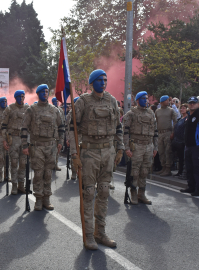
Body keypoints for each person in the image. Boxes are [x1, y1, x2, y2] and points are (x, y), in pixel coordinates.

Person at [70, 69, 124, 249]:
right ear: (92, 83)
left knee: (104, 192)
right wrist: (74, 155)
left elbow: (118, 127)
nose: (103, 82)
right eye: (100, 80)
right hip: (89, 153)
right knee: (88, 194)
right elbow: (73, 130)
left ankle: (100, 233)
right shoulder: (83, 102)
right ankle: (88, 236)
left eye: (105, 79)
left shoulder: (112, 101)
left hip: (108, 151)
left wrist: (120, 148)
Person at [22, 84, 65, 209]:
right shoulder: (31, 110)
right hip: (37, 146)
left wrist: (60, 141)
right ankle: (38, 199)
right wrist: (25, 145)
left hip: (51, 146)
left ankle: (47, 198)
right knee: (38, 173)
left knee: (48, 174)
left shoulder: (54, 110)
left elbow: (61, 126)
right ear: (38, 94)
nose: (45, 94)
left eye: (47, 92)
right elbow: (24, 128)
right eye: (43, 92)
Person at [123, 91, 158, 205]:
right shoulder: (131, 113)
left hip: (148, 145)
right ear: (137, 100)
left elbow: (156, 131)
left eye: (147, 98)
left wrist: (155, 147)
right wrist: (127, 148)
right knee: (135, 171)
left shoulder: (151, 113)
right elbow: (125, 132)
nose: (146, 100)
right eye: (143, 98)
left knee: (145, 170)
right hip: (136, 146)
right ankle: (133, 193)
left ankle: (141, 194)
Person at [180, 97, 199, 197]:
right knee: (189, 168)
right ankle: (191, 187)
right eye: (190, 103)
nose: (192, 104)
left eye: (194, 103)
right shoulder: (188, 116)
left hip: (197, 147)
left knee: (198, 169)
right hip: (188, 146)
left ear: (198, 104)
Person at [2, 90, 29, 195]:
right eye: (20, 97)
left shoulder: (28, 109)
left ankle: (21, 185)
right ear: (16, 97)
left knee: (23, 163)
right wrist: (5, 140)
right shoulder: (9, 109)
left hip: (24, 139)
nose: (22, 98)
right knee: (13, 163)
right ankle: (14, 185)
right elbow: (3, 125)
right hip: (13, 139)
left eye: (23, 96)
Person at [155, 95, 178, 176]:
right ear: (162, 102)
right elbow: (155, 122)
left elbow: (175, 121)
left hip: (168, 132)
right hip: (159, 133)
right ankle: (163, 167)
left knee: (168, 151)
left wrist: (173, 132)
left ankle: (168, 169)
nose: (168, 101)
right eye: (166, 100)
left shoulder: (171, 110)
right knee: (161, 151)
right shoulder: (157, 111)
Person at [171, 104, 189, 178]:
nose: (182, 109)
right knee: (179, 157)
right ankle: (180, 171)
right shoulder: (180, 119)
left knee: (183, 157)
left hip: (183, 141)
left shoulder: (187, 118)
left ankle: (182, 172)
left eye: (184, 108)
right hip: (177, 141)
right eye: (181, 108)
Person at [51, 97, 64, 171]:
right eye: (55, 101)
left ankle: (55, 164)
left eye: (57, 101)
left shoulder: (60, 111)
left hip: (58, 133)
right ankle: (51, 164)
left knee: (57, 151)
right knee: (52, 151)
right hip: (52, 134)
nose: (57, 102)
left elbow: (62, 122)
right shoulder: (51, 109)